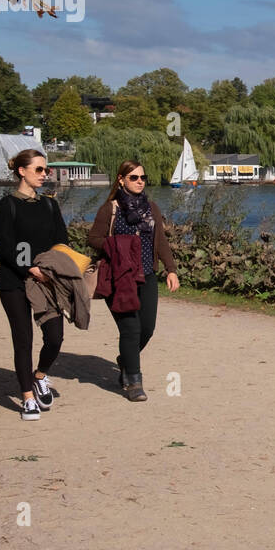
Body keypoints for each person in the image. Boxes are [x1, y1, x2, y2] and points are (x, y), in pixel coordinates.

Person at [89, 160, 179, 401]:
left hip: (147, 275)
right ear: (121, 179)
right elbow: (94, 238)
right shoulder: (111, 209)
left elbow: (160, 242)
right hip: (119, 278)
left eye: (142, 177)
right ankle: (133, 383)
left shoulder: (152, 208)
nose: (140, 181)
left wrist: (171, 269)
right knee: (130, 328)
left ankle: (125, 360)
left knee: (147, 329)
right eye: (134, 177)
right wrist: (116, 244)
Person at [0, 149, 68, 421]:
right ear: (21, 171)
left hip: (46, 283)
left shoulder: (50, 205)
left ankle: (40, 376)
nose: (44, 174)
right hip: (14, 283)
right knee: (23, 340)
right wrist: (30, 267)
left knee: (55, 337)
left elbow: (62, 241)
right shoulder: (7, 206)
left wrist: (54, 267)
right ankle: (27, 398)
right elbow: (6, 245)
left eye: (45, 169)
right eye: (38, 169)